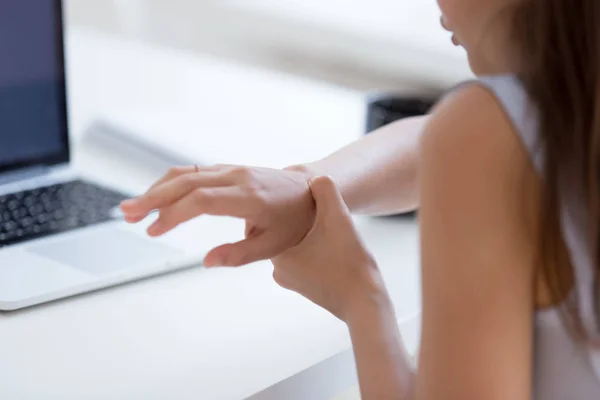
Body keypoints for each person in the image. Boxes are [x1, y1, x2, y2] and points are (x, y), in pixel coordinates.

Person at [120, 0, 600, 398]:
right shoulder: (569, 98)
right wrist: (310, 185)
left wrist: (360, 296)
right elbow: (436, 136)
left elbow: (474, 137)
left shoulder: (486, 133)